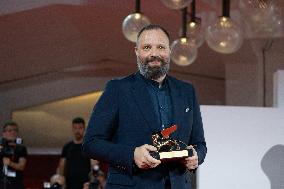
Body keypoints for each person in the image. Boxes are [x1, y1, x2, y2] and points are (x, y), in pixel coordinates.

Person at [82, 24, 207, 189]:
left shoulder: (186, 91)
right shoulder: (117, 89)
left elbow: (200, 143)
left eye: (160, 47)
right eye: (147, 47)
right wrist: (132, 154)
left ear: (169, 51)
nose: (154, 53)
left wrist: (197, 155)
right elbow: (91, 143)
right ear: (136, 52)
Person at [57, 117, 91, 189]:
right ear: (72, 129)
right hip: (68, 184)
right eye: (75, 128)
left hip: (85, 185)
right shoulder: (67, 147)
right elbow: (62, 165)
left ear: (84, 129)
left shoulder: (88, 146)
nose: (77, 130)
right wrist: (61, 179)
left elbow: (94, 165)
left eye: (80, 128)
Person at [0, 121, 27, 189]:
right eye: (9, 130)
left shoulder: (21, 148)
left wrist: (10, 163)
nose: (13, 132)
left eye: (15, 130)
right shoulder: (0, 147)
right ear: (3, 133)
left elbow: (21, 166)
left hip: (15, 182)